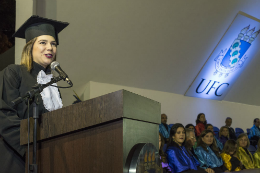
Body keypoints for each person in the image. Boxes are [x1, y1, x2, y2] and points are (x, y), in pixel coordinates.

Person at [0, 15, 68, 172]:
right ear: (30, 47)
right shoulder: (14, 72)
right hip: (17, 158)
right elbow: (4, 115)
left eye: (53, 44)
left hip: (48, 160)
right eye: (43, 42)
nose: (50, 48)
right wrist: (29, 149)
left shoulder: (53, 85)